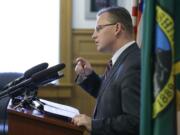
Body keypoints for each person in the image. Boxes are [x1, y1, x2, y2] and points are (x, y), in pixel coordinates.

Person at [72, 6, 141, 135]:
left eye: (98, 29)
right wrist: (89, 76)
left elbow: (134, 121)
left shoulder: (134, 64)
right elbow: (112, 96)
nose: (93, 36)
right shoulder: (123, 59)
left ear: (117, 28)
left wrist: (93, 124)